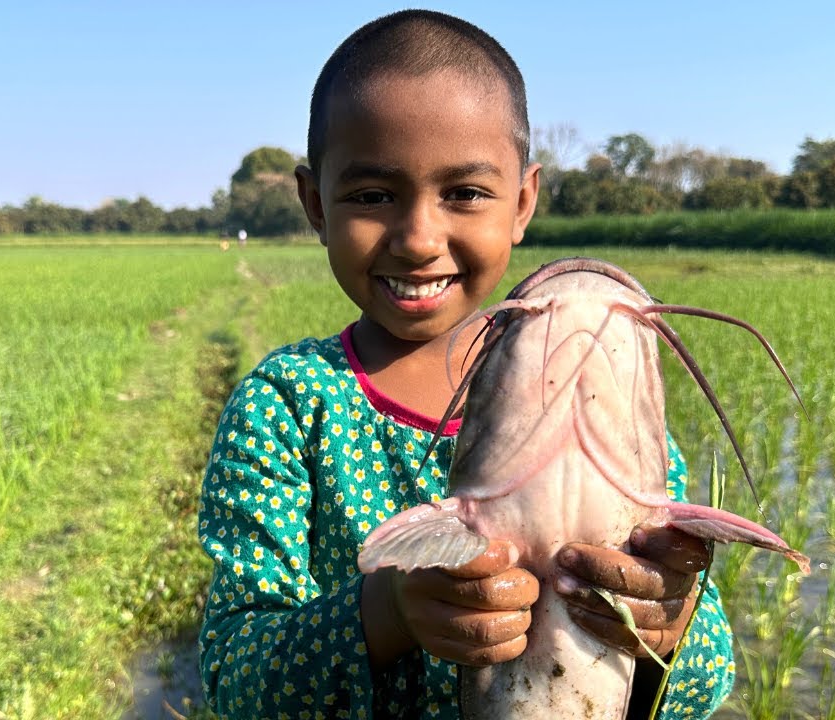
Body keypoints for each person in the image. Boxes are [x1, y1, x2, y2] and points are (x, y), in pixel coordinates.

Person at [197, 10, 734, 719]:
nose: (419, 238)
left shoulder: (607, 408)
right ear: (315, 204)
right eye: (372, 196)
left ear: (522, 202)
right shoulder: (287, 405)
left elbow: (705, 683)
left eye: (465, 194)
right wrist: (388, 611)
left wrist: (669, 624)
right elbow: (234, 674)